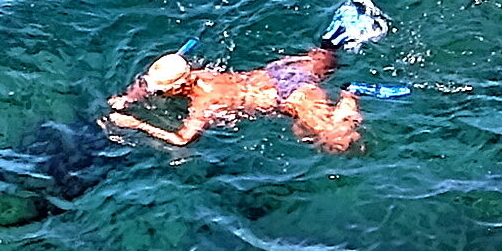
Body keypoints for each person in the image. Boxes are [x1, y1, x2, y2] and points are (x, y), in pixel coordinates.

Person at [103, 27, 367, 155]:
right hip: (279, 73)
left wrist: (135, 123)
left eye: (161, 91)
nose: (155, 92)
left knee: (336, 141)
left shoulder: (204, 103)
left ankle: (349, 94)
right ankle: (331, 43)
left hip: (291, 97)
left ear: (179, 87)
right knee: (326, 61)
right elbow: (154, 79)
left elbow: (182, 139)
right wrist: (129, 98)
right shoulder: (197, 72)